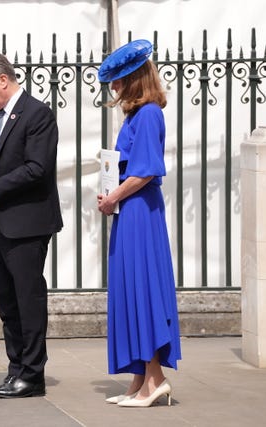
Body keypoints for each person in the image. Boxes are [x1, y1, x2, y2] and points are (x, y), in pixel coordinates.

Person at [0, 52, 63, 398]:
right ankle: (15, 369)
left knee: (28, 299)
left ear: (2, 80)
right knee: (7, 302)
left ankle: (32, 375)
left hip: (27, 223)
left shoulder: (37, 114)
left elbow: (38, 168)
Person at [96, 39, 182, 407]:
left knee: (143, 290)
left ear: (132, 79)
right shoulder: (137, 115)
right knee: (130, 290)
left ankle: (155, 380)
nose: (114, 87)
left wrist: (113, 196)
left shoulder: (148, 114)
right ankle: (140, 379)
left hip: (140, 212)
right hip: (132, 211)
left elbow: (146, 170)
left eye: (118, 80)